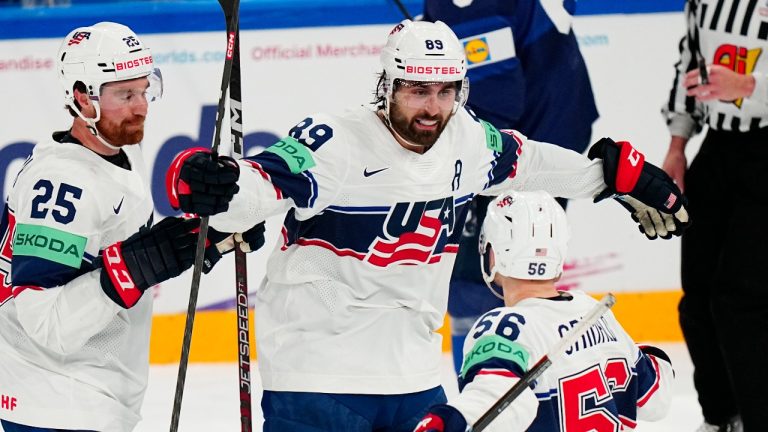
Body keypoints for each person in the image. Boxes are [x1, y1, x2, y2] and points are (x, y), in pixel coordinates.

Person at [167, 19, 688, 431]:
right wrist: (212, 182)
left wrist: (607, 177)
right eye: (417, 91)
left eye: (445, 92)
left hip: (416, 382)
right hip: (320, 381)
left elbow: (529, 163)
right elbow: (259, 186)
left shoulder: (466, 139)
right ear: (386, 86)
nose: (432, 109)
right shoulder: (335, 144)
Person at [0, 22, 259, 432]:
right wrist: (136, 266)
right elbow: (44, 323)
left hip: (85, 399)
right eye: (125, 94)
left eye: (144, 90)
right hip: (55, 403)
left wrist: (206, 241)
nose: (142, 106)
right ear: (83, 97)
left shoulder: (110, 155)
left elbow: (121, 261)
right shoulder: (62, 183)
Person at [422, 0, 600, 374]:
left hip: (526, 148)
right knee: (517, 279)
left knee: (482, 281)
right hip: (548, 136)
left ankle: (492, 398)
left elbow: (497, 99)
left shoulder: (468, 6)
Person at [413, 190, 674, 432]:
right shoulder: (596, 313)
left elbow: (494, 401)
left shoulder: (504, 327)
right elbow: (656, 399)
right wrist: (646, 354)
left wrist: (446, 421)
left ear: (492, 254)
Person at [661, 1, 768, 431]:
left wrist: (750, 84)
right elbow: (691, 58)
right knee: (699, 297)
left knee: (742, 299)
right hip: (720, 150)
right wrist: (676, 145)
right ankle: (722, 417)